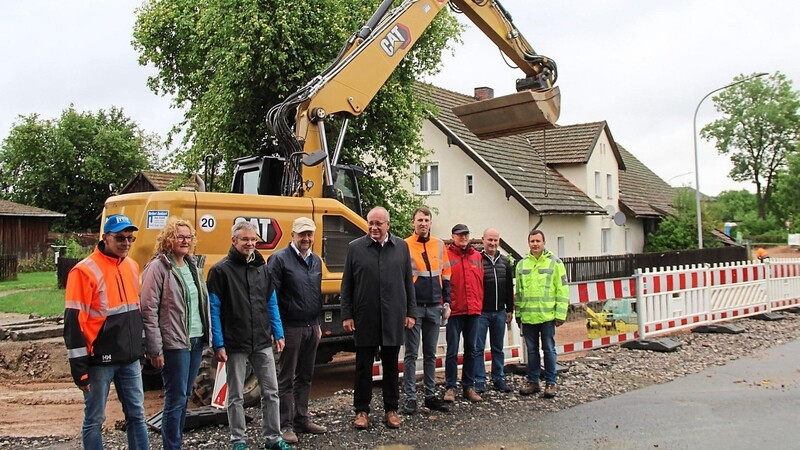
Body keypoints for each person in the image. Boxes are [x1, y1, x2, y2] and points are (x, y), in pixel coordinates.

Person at [63, 214, 149, 450]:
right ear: (105, 238)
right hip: (99, 360)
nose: (126, 243)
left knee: (137, 415)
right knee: (94, 420)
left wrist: (140, 349)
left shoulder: (132, 266)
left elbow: (135, 312)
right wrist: (79, 368)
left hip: (129, 358)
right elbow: (73, 322)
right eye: (120, 238)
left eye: (130, 238)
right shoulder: (84, 271)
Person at [207, 221, 291, 450]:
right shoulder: (220, 271)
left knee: (271, 392)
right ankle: (239, 440)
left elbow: (271, 302)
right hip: (235, 343)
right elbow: (213, 309)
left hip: (262, 341)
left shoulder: (261, 268)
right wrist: (218, 343)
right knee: (235, 396)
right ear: (234, 241)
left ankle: (273, 438)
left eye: (253, 239)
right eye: (245, 239)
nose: (250, 243)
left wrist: (278, 332)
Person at [341, 206, 415, 430]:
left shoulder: (401, 247)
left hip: (393, 316)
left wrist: (411, 312)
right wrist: (347, 315)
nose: (373, 227)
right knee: (363, 367)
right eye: (370, 223)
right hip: (365, 316)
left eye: (378, 224)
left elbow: (407, 283)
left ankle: (391, 410)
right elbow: (347, 285)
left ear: (387, 225)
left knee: (391, 366)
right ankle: (361, 411)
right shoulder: (355, 248)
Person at [141, 217, 209, 450]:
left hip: (196, 339)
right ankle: (172, 445)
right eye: (180, 236)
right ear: (168, 239)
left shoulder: (192, 266)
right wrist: (154, 348)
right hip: (175, 343)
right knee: (176, 396)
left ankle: (176, 442)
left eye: (188, 237)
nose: (185, 241)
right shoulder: (158, 268)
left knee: (186, 394)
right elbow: (148, 310)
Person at [267, 217, 327, 444]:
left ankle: (302, 418)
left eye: (310, 234)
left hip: (311, 326)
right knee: (286, 378)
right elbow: (270, 296)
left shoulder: (316, 261)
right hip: (290, 326)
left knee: (306, 376)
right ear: (292, 235)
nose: (306, 238)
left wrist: (318, 324)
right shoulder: (279, 260)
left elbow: (316, 294)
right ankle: (285, 424)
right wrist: (277, 330)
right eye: (302, 234)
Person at [402, 207, 451, 414]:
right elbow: (401, 279)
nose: (423, 223)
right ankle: (411, 398)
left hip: (434, 307)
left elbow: (446, 275)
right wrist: (406, 310)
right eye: (420, 220)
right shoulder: (404, 246)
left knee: (431, 354)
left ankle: (430, 395)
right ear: (413, 222)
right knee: (412, 354)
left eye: (426, 220)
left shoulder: (439, 245)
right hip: (414, 309)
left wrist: (446, 303)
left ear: (431, 223)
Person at [515, 229, 569, 399]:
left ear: (544, 242)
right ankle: (533, 382)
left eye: (538, 241)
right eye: (532, 241)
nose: (535, 244)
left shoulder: (555, 263)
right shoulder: (522, 265)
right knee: (532, 351)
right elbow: (519, 291)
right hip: (529, 317)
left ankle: (551, 383)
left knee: (549, 349)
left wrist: (560, 314)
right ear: (528, 243)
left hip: (547, 316)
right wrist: (518, 313)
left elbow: (562, 290)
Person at [443, 223, 484, 403]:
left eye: (466, 235)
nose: (463, 238)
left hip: (473, 310)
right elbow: (443, 282)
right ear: (453, 236)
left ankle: (468, 386)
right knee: (452, 350)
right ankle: (450, 387)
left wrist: (478, 303)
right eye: (460, 235)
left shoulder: (476, 256)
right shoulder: (446, 255)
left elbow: (480, 282)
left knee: (472, 350)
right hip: (454, 311)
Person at [474, 227, 514, 394]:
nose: (492, 243)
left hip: (499, 311)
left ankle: (498, 377)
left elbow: (508, 287)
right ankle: (479, 380)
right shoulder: (477, 260)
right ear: (483, 240)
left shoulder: (505, 262)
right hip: (482, 312)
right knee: (478, 348)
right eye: (489, 240)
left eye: (495, 240)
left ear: (499, 241)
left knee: (498, 347)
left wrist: (509, 309)